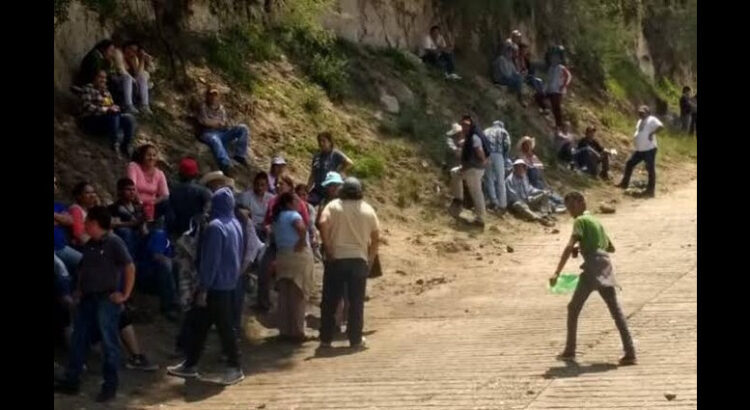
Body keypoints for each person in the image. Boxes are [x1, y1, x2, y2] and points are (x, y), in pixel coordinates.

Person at [54, 206, 136, 402]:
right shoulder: (90, 244)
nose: (84, 225)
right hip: (88, 299)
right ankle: (71, 380)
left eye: (88, 222)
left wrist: (125, 294)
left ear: (95, 223)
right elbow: (83, 269)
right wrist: (80, 289)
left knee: (109, 343)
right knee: (78, 339)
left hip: (106, 299)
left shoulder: (115, 243)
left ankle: (110, 386)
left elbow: (129, 266)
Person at [167, 187, 245, 385]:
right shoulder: (235, 223)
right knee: (199, 325)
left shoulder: (215, 227)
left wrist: (203, 288)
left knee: (225, 328)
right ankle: (190, 365)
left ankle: (235, 367)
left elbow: (211, 261)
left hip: (215, 286)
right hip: (229, 282)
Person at [550, 192, 636, 366]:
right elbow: (609, 247)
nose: (571, 211)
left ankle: (570, 350)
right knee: (615, 310)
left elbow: (568, 246)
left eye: (572, 206)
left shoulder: (580, 221)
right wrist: (584, 246)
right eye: (568, 208)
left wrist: (557, 272)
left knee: (573, 308)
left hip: (591, 269)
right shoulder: (596, 221)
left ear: (582, 203)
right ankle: (630, 352)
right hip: (605, 266)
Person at [318, 177, 379, 349]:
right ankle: (355, 339)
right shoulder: (367, 209)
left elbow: (322, 222)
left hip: (336, 258)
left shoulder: (333, 205)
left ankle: (325, 339)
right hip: (358, 260)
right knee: (356, 302)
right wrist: (370, 259)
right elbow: (376, 238)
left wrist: (328, 248)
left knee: (330, 301)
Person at [271, 192, 315, 342]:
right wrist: (301, 242)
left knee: (285, 296)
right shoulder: (293, 215)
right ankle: (297, 331)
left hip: (282, 256)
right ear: (289, 203)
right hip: (297, 257)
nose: (299, 202)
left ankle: (285, 330)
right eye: (296, 200)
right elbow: (301, 228)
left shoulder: (277, 218)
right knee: (298, 295)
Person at [78, 70, 137, 157]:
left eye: (104, 78)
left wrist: (115, 108)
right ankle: (114, 143)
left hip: (107, 119)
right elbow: (87, 106)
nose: (103, 80)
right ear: (94, 78)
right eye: (100, 77)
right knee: (113, 114)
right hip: (91, 119)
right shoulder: (88, 89)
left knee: (129, 118)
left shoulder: (106, 92)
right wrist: (105, 109)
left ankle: (125, 146)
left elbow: (111, 105)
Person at [197, 88, 250, 174]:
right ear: (207, 95)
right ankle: (225, 163)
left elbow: (224, 122)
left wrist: (215, 123)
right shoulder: (203, 107)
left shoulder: (221, 109)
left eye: (215, 95)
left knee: (243, 128)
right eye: (211, 95)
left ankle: (240, 155)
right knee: (215, 139)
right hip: (208, 133)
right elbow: (205, 122)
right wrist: (216, 123)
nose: (213, 98)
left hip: (222, 132)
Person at [448, 115, 488, 227]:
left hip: (474, 168)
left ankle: (480, 219)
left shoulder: (472, 138)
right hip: (471, 167)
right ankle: (458, 200)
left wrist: (483, 161)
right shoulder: (469, 138)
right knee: (455, 173)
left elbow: (478, 151)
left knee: (476, 191)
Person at [616, 105, 663, 197]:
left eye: (643, 112)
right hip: (640, 150)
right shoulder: (640, 121)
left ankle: (650, 191)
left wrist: (652, 134)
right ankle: (624, 184)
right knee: (629, 163)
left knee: (650, 168)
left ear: (648, 112)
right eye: (640, 112)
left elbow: (661, 126)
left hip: (649, 149)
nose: (640, 113)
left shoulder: (651, 119)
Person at [168, 157, 212, 237]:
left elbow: (170, 215)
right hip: (196, 235)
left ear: (180, 174)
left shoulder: (174, 191)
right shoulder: (204, 192)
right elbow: (209, 212)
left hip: (177, 234)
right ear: (195, 174)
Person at [307, 132, 354, 206]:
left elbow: (349, 162)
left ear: (330, 142)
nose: (321, 143)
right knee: (307, 204)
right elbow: (312, 175)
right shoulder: (317, 157)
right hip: (318, 189)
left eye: (324, 141)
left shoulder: (335, 154)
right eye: (320, 141)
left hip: (330, 191)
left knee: (326, 211)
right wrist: (307, 189)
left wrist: (339, 171)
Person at [127, 144, 170, 223]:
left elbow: (165, 195)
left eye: (154, 155)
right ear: (142, 156)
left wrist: (152, 203)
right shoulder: (133, 166)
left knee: (168, 203)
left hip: (152, 206)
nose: (151, 158)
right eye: (148, 155)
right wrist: (140, 202)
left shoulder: (159, 173)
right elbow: (131, 185)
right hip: (135, 203)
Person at [506, 159, 555, 226]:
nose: (520, 169)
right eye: (518, 167)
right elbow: (512, 196)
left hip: (528, 200)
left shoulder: (524, 177)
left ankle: (544, 215)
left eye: (522, 167)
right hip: (519, 202)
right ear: (515, 168)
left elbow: (530, 189)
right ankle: (538, 218)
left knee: (544, 194)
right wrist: (523, 201)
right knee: (518, 205)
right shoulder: (510, 180)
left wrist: (541, 191)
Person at [112, 40, 155, 115]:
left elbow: (139, 74)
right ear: (125, 47)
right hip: (115, 78)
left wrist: (142, 60)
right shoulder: (118, 53)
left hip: (127, 81)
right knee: (127, 77)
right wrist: (134, 81)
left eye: (134, 50)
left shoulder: (133, 58)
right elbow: (120, 70)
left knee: (142, 77)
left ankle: (144, 105)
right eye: (129, 48)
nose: (130, 52)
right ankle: (128, 105)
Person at [108, 177, 147, 258]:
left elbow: (144, 229)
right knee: (125, 231)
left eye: (133, 190)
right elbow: (114, 224)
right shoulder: (114, 208)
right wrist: (132, 223)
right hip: (124, 241)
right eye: (128, 190)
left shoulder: (138, 208)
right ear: (120, 191)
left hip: (139, 238)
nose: (132, 192)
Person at [54, 176, 83, 278]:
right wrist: (60, 219)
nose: (55, 187)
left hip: (61, 247)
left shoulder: (59, 205)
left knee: (85, 262)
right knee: (60, 268)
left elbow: (70, 221)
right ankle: (65, 293)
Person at [483, 120, 511, 212]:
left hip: (487, 155)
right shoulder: (503, 131)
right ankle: (502, 204)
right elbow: (507, 145)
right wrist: (505, 157)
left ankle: (493, 201)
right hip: (498, 155)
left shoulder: (486, 131)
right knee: (500, 179)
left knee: (489, 178)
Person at [236, 171, 274, 238]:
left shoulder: (271, 199)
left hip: (266, 229)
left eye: (262, 185)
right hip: (250, 228)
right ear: (254, 184)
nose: (259, 188)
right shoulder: (246, 196)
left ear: (267, 186)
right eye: (257, 184)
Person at [542, 46, 572, 127]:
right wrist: (544, 89)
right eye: (552, 57)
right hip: (550, 90)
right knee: (539, 97)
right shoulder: (551, 69)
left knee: (556, 107)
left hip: (558, 91)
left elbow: (568, 76)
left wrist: (563, 86)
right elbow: (548, 80)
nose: (553, 59)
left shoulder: (561, 68)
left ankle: (559, 125)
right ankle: (546, 111)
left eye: (556, 57)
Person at [69, 182, 99, 247]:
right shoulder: (76, 210)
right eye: (87, 193)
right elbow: (79, 234)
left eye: (93, 192)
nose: (92, 195)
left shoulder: (90, 210)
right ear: (79, 196)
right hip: (84, 246)